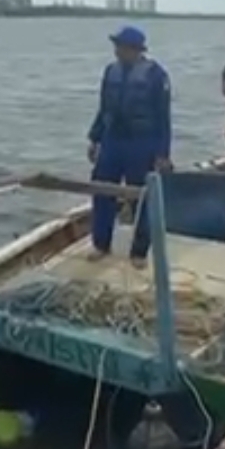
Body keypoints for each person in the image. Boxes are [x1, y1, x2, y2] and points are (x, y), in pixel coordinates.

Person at [86, 26, 172, 268]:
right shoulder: (110, 72)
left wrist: (163, 154)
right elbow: (103, 109)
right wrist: (95, 139)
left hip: (142, 142)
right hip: (113, 140)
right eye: (116, 46)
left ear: (134, 49)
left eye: (121, 46)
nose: (117, 51)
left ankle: (139, 252)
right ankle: (101, 244)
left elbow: (163, 118)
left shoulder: (156, 76)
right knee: (103, 191)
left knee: (141, 198)